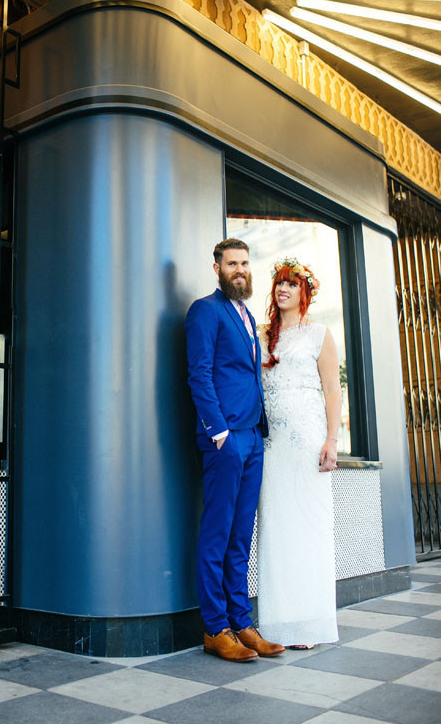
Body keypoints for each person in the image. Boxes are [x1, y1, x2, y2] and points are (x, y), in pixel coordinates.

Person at [185, 238, 285, 662]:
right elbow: (199, 373)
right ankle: (215, 628)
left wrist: (255, 432)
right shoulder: (205, 310)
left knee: (241, 535)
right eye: (232, 264)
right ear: (217, 269)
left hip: (253, 437)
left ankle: (242, 623)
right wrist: (219, 432)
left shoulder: (245, 314)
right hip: (224, 439)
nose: (240, 270)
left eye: (244, 263)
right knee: (217, 534)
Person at [257, 257, 340, 649]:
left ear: (305, 292)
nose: (283, 289)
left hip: (308, 442)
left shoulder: (320, 334)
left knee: (309, 527)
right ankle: (277, 623)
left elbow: (333, 391)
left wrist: (332, 441)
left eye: (292, 284)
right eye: (279, 283)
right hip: (271, 446)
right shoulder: (262, 336)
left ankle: (309, 623)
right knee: (276, 529)